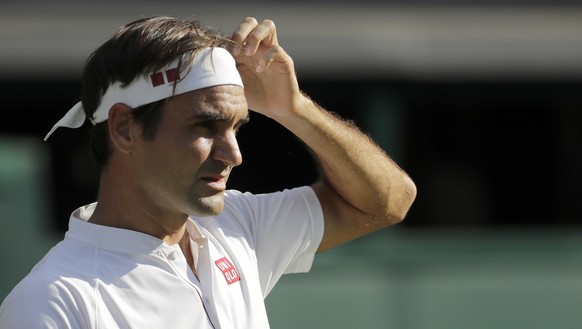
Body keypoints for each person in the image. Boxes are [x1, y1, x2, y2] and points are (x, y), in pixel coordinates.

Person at [0, 15, 416, 328]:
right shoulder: (53, 302)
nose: (233, 154)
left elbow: (388, 202)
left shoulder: (237, 226)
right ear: (125, 129)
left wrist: (294, 108)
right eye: (205, 126)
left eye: (236, 127)